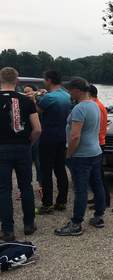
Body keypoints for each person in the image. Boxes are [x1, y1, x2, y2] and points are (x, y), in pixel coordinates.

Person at [55, 78, 106, 236]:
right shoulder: (95, 105)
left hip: (81, 154)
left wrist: (69, 153)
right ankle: (99, 216)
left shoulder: (79, 108)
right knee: (97, 184)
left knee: (80, 189)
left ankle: (76, 223)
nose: (69, 93)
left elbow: (75, 136)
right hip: (95, 151)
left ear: (77, 90)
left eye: (70, 90)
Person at [0, 67, 42, 242]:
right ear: (17, 81)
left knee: (3, 189)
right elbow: (38, 129)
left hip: (1, 148)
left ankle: (8, 230)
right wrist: (29, 142)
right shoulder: (26, 100)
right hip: (22, 147)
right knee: (25, 186)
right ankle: (29, 223)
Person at [35, 71, 71, 214]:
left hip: (48, 137)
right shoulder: (66, 95)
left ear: (49, 80)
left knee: (46, 171)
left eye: (45, 79)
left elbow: (36, 110)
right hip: (63, 136)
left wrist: (34, 98)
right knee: (60, 169)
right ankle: (62, 201)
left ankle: (47, 204)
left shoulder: (49, 97)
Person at [88, 85, 110, 207]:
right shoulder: (97, 104)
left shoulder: (96, 106)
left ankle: (104, 199)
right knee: (94, 174)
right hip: (98, 141)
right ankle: (98, 197)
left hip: (98, 142)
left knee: (98, 175)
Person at [23, 85, 43, 194]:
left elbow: (40, 116)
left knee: (38, 162)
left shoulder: (38, 103)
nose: (27, 94)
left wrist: (34, 100)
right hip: (27, 137)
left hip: (37, 137)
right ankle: (25, 188)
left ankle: (41, 185)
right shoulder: (22, 103)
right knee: (26, 162)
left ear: (34, 92)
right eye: (25, 92)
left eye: (29, 92)